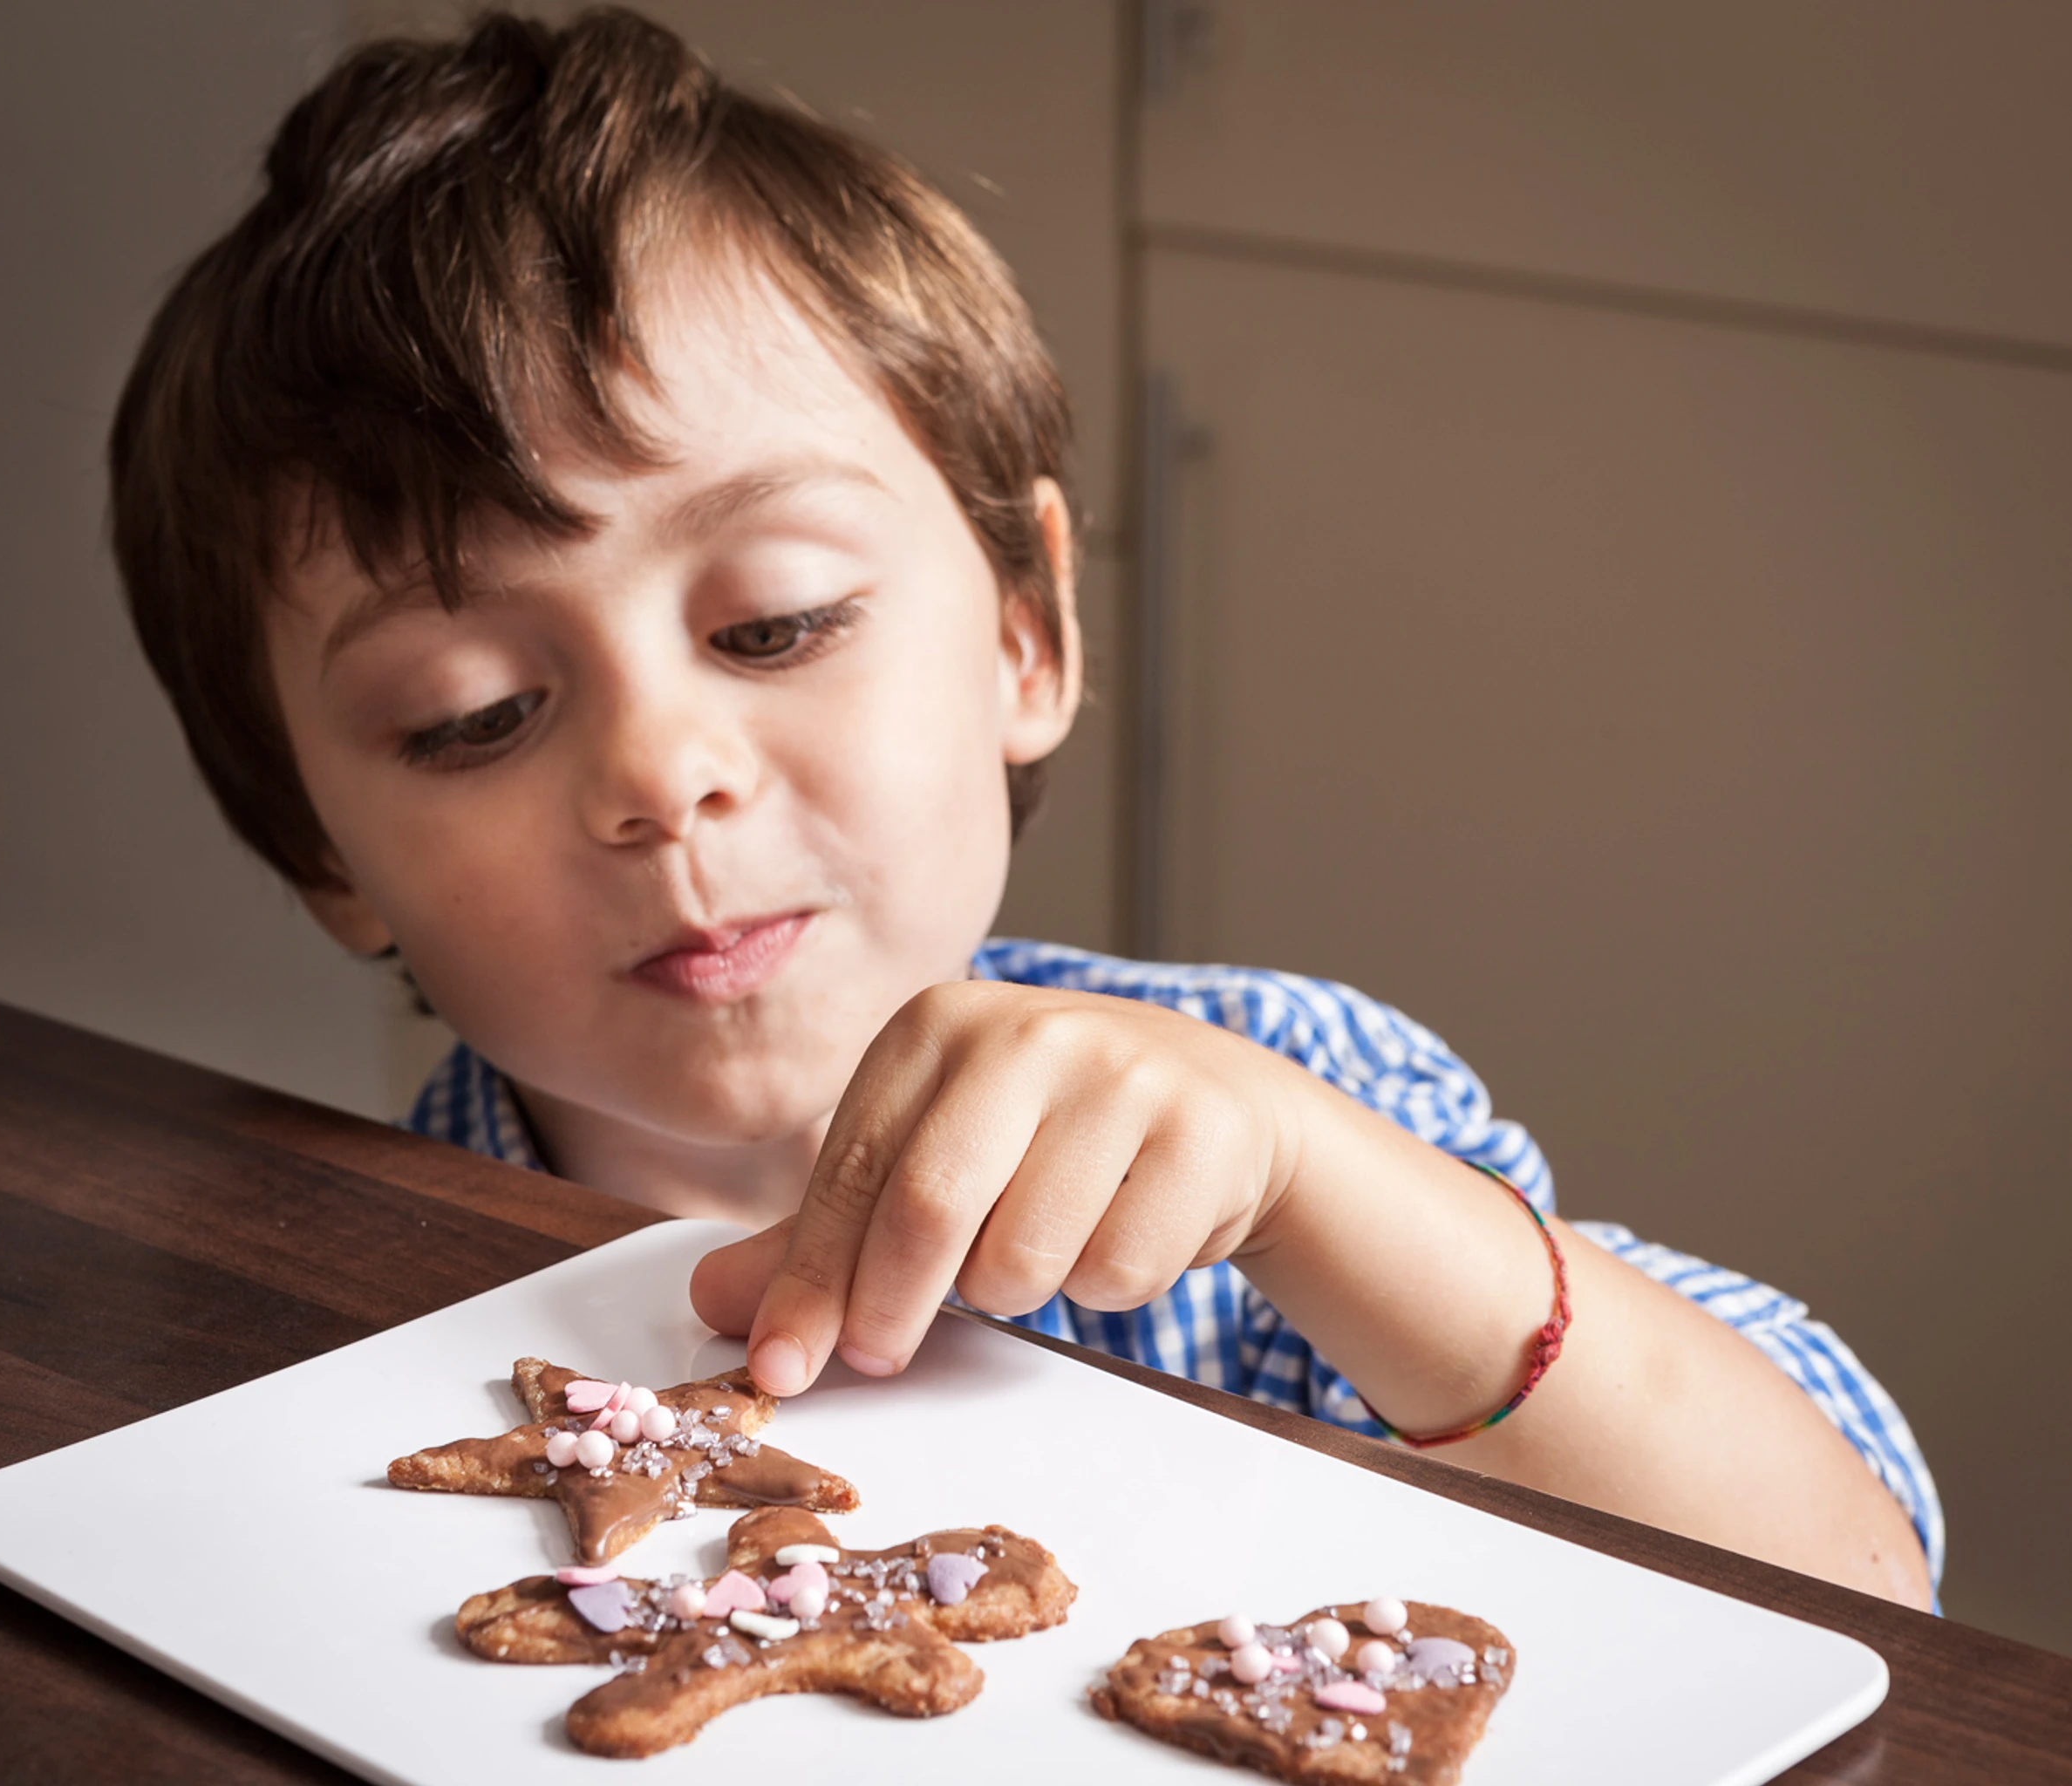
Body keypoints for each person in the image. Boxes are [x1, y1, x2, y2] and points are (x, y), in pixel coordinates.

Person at [109, 7, 1938, 1609]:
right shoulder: (325, 1306)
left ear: (1023, 630)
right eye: (472, 713)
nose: (665, 778)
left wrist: (1325, 1192)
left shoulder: (1284, 1133)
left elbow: (1860, 1582)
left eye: (775, 621)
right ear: (314, 847)